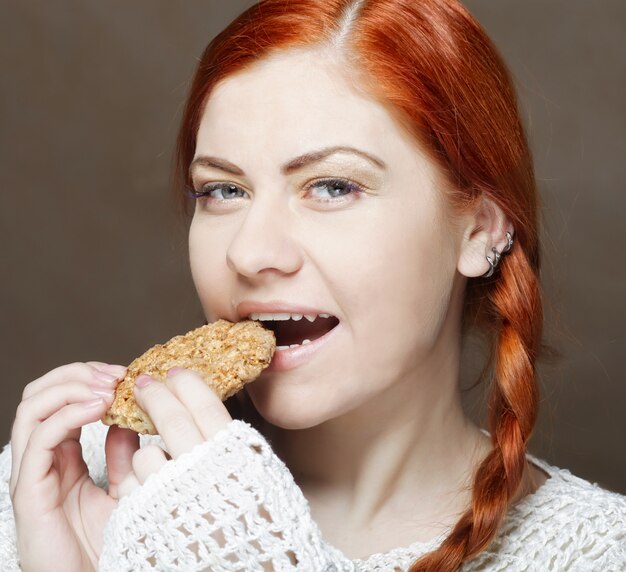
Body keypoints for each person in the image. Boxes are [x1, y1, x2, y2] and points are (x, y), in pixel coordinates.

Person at [1, 0, 625, 570]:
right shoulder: (47, 491)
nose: (250, 251)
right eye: (224, 190)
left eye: (332, 186)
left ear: (479, 229)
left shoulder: (599, 552)